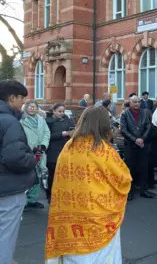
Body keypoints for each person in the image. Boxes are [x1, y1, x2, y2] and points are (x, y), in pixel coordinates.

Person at [44, 106, 131, 264]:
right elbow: (123, 180)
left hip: (68, 215)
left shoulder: (69, 146)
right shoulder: (104, 150)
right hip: (97, 216)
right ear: (104, 124)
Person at [0, 80, 37, 264]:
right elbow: (15, 157)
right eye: (22, 98)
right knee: (5, 237)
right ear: (11, 97)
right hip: (8, 189)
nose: (23, 102)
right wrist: (32, 159)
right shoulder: (9, 121)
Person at [120, 95, 154, 200]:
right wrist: (135, 139)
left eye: (139, 102)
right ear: (130, 103)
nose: (137, 104)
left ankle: (144, 190)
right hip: (130, 144)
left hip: (142, 144)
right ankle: (129, 191)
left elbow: (148, 126)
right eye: (135, 102)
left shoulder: (144, 112)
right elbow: (124, 129)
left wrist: (142, 138)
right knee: (130, 168)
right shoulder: (125, 114)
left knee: (144, 168)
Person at [21, 100, 51, 210]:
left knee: (38, 175)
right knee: (27, 175)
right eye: (30, 107)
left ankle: (32, 200)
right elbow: (21, 136)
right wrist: (29, 148)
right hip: (28, 151)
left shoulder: (41, 120)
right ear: (25, 108)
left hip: (40, 152)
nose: (32, 108)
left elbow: (47, 133)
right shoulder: (21, 120)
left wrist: (43, 145)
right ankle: (23, 201)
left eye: (34, 107)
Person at [45, 103, 74, 202]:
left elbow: (72, 128)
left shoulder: (67, 119)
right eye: (59, 111)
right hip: (53, 150)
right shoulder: (48, 121)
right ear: (54, 111)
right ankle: (50, 194)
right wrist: (62, 134)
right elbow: (47, 136)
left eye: (63, 111)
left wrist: (72, 132)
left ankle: (62, 194)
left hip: (65, 150)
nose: (62, 113)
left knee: (64, 174)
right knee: (52, 174)